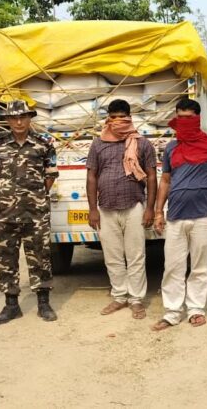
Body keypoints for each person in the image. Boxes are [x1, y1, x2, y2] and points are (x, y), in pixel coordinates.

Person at [151, 99, 207, 331]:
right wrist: (158, 211)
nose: (184, 122)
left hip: (204, 216)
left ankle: (196, 309)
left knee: (199, 266)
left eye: (188, 118)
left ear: (197, 118)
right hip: (175, 215)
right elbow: (165, 180)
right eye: (180, 118)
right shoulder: (171, 148)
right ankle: (172, 312)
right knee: (173, 266)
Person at [0, 100, 59, 325]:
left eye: (23, 117)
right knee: (5, 258)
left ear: (29, 118)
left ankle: (43, 303)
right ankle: (11, 305)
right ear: (7, 120)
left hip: (35, 213)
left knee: (40, 256)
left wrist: (33, 196)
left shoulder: (44, 144)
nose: (19, 122)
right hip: (5, 213)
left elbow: (50, 176)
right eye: (14, 118)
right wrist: (10, 195)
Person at [86, 99, 158, 320]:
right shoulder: (98, 144)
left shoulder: (142, 143)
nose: (118, 121)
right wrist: (92, 209)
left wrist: (150, 208)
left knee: (136, 255)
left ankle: (136, 299)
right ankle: (119, 296)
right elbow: (91, 176)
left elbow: (152, 176)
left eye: (122, 117)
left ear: (129, 117)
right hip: (106, 208)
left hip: (134, 206)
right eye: (113, 117)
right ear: (108, 118)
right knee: (112, 256)